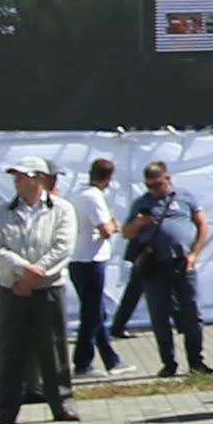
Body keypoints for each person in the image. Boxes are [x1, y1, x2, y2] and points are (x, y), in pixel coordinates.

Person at [0, 156, 80, 424]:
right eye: (15, 176)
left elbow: (63, 247)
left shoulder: (62, 209)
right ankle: (7, 409)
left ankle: (62, 403)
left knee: (53, 348)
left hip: (48, 288)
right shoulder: (2, 211)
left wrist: (37, 273)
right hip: (12, 288)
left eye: (23, 176)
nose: (17, 181)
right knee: (11, 348)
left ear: (40, 179)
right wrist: (23, 270)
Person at [119, 160, 209, 373]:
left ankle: (196, 361)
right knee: (159, 315)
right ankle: (168, 364)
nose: (154, 190)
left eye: (158, 184)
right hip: (155, 266)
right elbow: (126, 233)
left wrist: (194, 254)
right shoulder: (142, 203)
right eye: (149, 186)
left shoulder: (185, 197)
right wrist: (138, 223)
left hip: (182, 262)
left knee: (191, 312)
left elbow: (202, 224)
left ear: (168, 179)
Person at [71, 157, 123, 375]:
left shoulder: (77, 194)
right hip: (91, 259)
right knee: (92, 313)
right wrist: (114, 225)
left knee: (97, 311)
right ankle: (82, 361)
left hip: (77, 258)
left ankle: (111, 359)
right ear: (108, 178)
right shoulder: (94, 197)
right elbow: (106, 230)